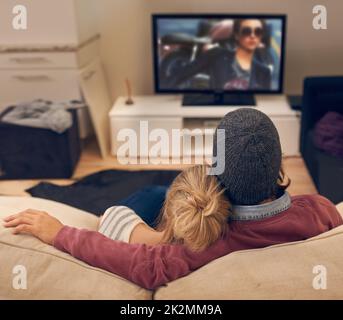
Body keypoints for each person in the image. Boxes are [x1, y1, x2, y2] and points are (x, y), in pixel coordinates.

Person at [3, 108, 343, 290]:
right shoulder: (320, 210)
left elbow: (141, 264)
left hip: (123, 224)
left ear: (217, 168)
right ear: (280, 166)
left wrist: (60, 233)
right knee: (160, 193)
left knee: (145, 198)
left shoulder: (201, 241)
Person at [98, 165, 230, 252]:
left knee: (154, 192)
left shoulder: (116, 216)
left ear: (167, 209)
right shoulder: (221, 254)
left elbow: (101, 221)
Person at [163, 19, 272, 90]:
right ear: (236, 35)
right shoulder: (216, 55)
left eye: (258, 32)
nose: (253, 36)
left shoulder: (264, 72)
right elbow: (177, 76)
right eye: (246, 31)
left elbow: (263, 103)